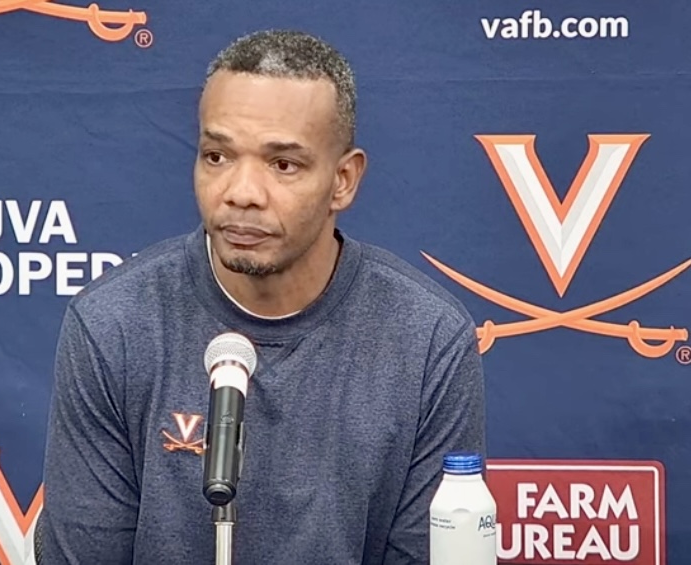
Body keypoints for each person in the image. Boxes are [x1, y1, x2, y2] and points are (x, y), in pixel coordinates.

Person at [39, 29, 486, 565]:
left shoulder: (428, 339)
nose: (241, 192)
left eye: (283, 165)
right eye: (217, 156)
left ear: (343, 180)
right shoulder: (113, 326)